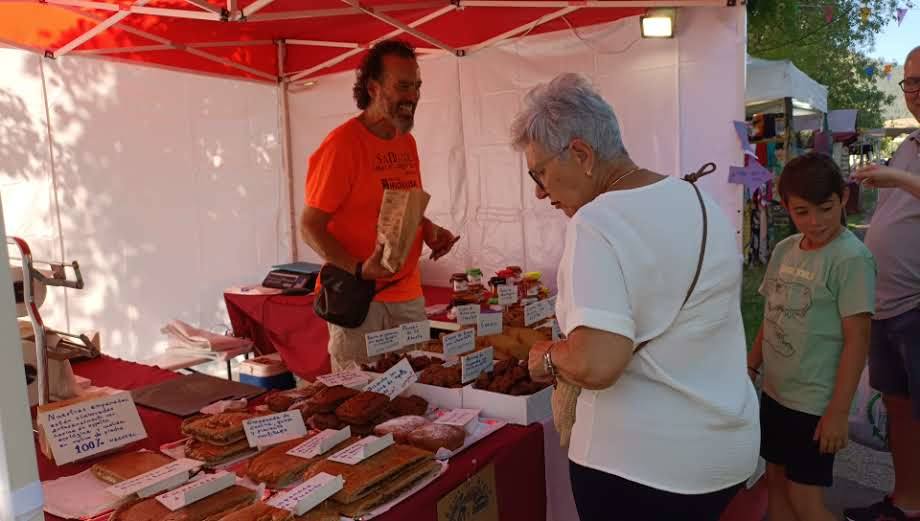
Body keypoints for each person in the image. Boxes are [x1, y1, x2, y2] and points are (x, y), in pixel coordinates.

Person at [515, 73, 759, 521]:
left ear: (582, 154)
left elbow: (597, 362)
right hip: (725, 445)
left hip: (642, 468)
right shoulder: (701, 202)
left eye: (540, 172)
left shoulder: (596, 223)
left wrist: (547, 357)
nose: (539, 191)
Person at [301, 40, 457, 372]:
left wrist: (428, 229)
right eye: (402, 86)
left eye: (416, 86)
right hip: (360, 301)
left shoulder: (406, 141)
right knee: (361, 403)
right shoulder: (342, 146)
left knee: (420, 395)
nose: (413, 96)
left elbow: (403, 206)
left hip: (407, 295)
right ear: (373, 88)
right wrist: (359, 268)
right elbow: (309, 226)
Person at [747, 153, 876, 521]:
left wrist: (837, 412)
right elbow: (770, 316)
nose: (815, 222)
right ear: (786, 207)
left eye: (826, 208)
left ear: (843, 198)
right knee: (775, 483)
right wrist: (750, 366)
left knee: (805, 500)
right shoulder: (786, 249)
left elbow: (858, 340)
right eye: (802, 212)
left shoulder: (851, 259)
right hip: (775, 394)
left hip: (814, 405)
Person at [845, 46, 920, 521]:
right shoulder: (912, 144)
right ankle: (907, 502)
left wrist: (894, 176)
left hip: (917, 304)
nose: (914, 92)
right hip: (886, 304)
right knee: (899, 412)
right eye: (909, 82)